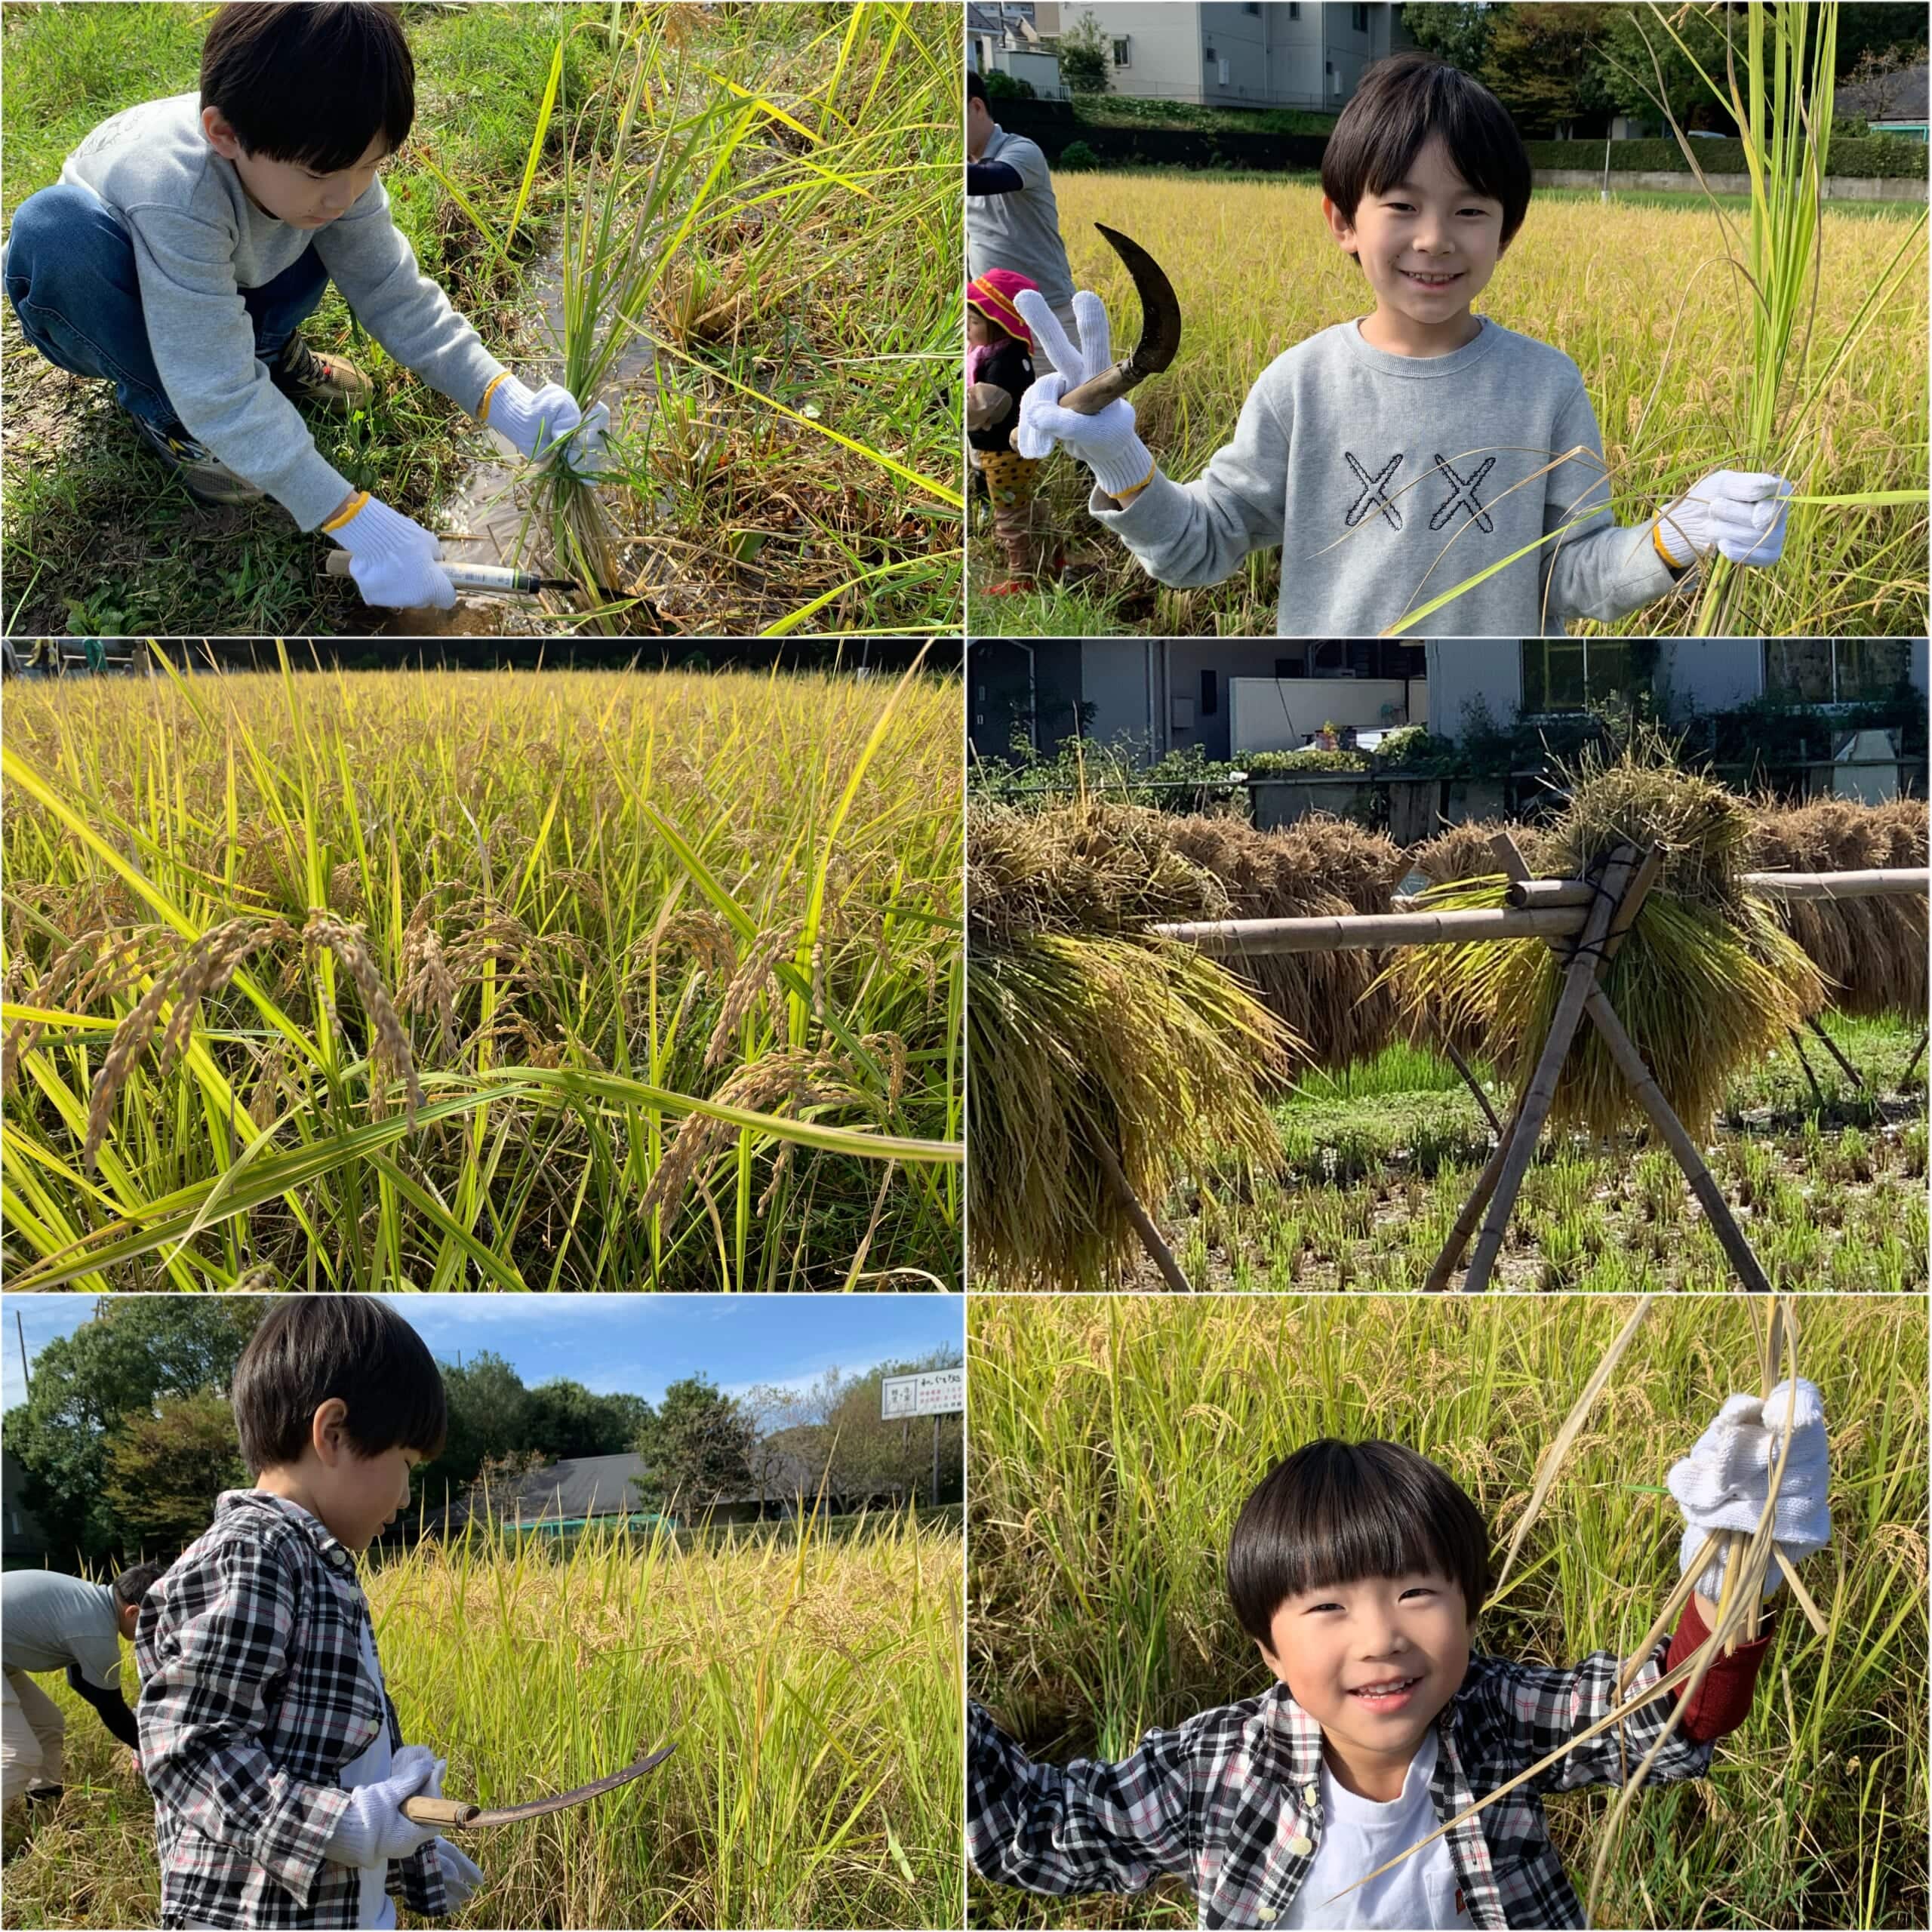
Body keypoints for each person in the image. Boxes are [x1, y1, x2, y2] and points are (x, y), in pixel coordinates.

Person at [970, 1383, 1832, 1929]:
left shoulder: (1494, 1717)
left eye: (1417, 1592)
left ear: (1469, 1608)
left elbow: (1670, 1721)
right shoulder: (1216, 1768)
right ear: (1269, 1650)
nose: (1381, 1638)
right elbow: (1030, 1835)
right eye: (1328, 1607)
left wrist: (1731, 1568)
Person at [1011, 54, 1793, 637]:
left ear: (1506, 230)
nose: (1434, 239)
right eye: (1402, 205)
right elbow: (1197, 551)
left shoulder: (1546, 387)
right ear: (1342, 221)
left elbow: (1574, 578)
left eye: (1470, 211)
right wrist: (1119, 456)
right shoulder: (1300, 384)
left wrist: (1677, 534)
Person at [1, 2, 611, 614]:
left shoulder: (323, 159)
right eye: (322, 173)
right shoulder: (176, 191)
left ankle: (268, 349)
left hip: (224, 270)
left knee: (315, 222)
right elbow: (215, 384)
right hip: (110, 288)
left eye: (370, 166)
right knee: (59, 234)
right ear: (224, 135)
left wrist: (513, 405)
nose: (346, 194)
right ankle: (167, 410)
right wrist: (353, 519)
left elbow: (393, 292)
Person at [135, 1298, 484, 1928]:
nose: (407, 1498)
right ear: (334, 1433)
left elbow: (340, 1765)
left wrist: (414, 1851)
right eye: (406, 1466)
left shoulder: (322, 1565)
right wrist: (347, 1826)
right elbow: (188, 1749)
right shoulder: (254, 1554)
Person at [2, 1561, 167, 1810]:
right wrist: (158, 1752)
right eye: (156, 1625)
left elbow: (78, 1681)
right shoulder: (96, 1635)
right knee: (19, 1754)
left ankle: (44, 1810)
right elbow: (112, 1711)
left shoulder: (88, 1603)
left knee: (47, 1724)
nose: (156, 1634)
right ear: (133, 1613)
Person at [967, 69, 1079, 373]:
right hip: (989, 323)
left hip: (1047, 317)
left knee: (1064, 400)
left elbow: (995, 178)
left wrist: (934, 168)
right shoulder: (966, 168)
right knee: (995, 403)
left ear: (976, 107)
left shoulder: (1021, 151)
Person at [968, 269, 1058, 595]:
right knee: (1024, 504)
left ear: (1000, 323)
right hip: (1016, 452)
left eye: (973, 323)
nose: (967, 329)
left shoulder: (1002, 366)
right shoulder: (1010, 353)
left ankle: (1022, 576)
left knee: (1009, 515)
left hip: (1003, 456)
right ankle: (1054, 555)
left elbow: (977, 407)